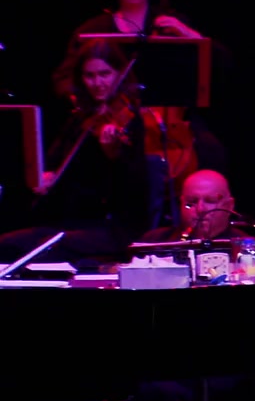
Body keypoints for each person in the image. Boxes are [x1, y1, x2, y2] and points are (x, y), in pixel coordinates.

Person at [52, 0, 225, 179]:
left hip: (168, 118)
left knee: (211, 151)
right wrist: (85, 101)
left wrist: (189, 34)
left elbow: (223, 62)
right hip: (113, 119)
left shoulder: (171, 23)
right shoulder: (94, 29)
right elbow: (63, 78)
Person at [0, 40, 156, 267]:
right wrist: (46, 176)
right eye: (89, 76)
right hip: (75, 223)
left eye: (105, 74)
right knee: (7, 244)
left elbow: (134, 190)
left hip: (115, 228)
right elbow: (56, 162)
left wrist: (113, 155)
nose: (97, 83)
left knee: (45, 249)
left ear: (119, 73)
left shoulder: (132, 120)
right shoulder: (81, 117)